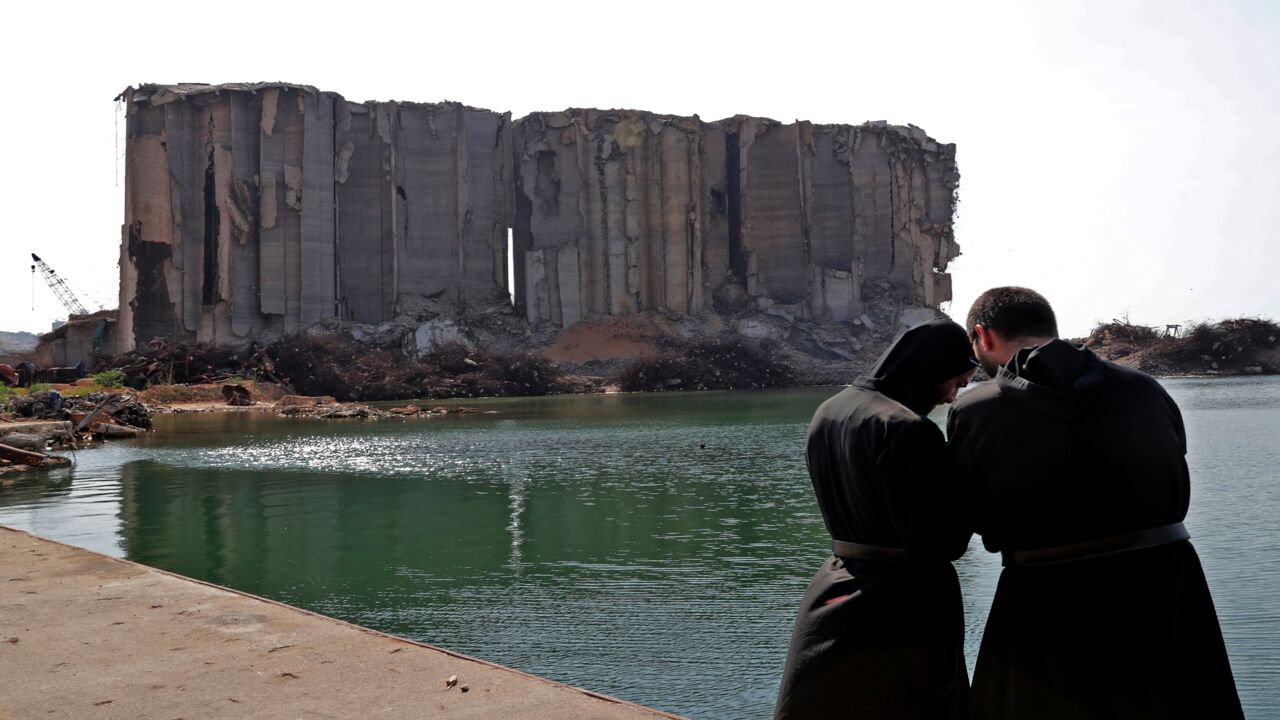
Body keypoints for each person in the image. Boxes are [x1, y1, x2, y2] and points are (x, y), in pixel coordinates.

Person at [947, 286, 1243, 719]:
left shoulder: (974, 409)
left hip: (1043, 600)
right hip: (1166, 586)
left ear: (982, 336)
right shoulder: (1145, 388)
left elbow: (968, 513)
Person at [774, 319, 977, 720]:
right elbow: (941, 542)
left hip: (836, 585)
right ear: (932, 367)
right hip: (905, 603)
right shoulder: (908, 429)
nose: (954, 395)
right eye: (957, 381)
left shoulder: (828, 411)